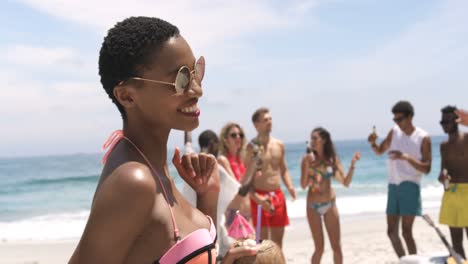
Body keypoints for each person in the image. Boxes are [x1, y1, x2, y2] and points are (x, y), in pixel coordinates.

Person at [69, 16, 256, 264]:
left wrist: (207, 196)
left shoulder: (155, 167)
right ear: (127, 96)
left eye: (195, 73)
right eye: (180, 79)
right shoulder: (134, 182)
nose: (197, 90)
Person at [368, 100, 432, 258]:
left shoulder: (423, 137)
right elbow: (379, 151)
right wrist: (372, 143)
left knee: (406, 232)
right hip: (393, 186)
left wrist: (405, 157)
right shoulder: (394, 132)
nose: (397, 122)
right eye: (395, 119)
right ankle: (405, 261)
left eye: (400, 119)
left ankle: (414, 261)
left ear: (410, 117)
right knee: (391, 232)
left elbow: (427, 168)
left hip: (410, 185)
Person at [300, 127, 360, 264]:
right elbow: (303, 185)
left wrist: (352, 165)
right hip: (312, 206)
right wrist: (308, 165)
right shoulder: (307, 159)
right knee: (319, 248)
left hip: (329, 204)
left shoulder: (332, 160)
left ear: (324, 140)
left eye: (315, 138)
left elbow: (345, 182)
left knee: (336, 247)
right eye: (311, 138)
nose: (312, 141)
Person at [244, 107, 297, 250]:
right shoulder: (250, 147)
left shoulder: (279, 145)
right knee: (263, 245)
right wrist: (256, 198)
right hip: (259, 197)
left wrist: (290, 187)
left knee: (278, 244)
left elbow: (283, 169)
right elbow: (245, 179)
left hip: (277, 195)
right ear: (256, 124)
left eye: (270, 119)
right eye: (265, 120)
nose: (269, 122)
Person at [438, 105, 468, 259]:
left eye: (447, 122)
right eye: (442, 122)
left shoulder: (467, 139)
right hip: (451, 193)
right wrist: (443, 178)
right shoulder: (443, 146)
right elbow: (443, 171)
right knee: (456, 243)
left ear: (457, 121)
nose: (445, 125)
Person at [218, 123, 252, 226]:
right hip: (234, 214)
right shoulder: (223, 160)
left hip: (247, 214)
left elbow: (248, 188)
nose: (238, 137)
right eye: (233, 135)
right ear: (225, 139)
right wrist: (252, 167)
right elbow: (237, 187)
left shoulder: (241, 161)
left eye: (240, 135)